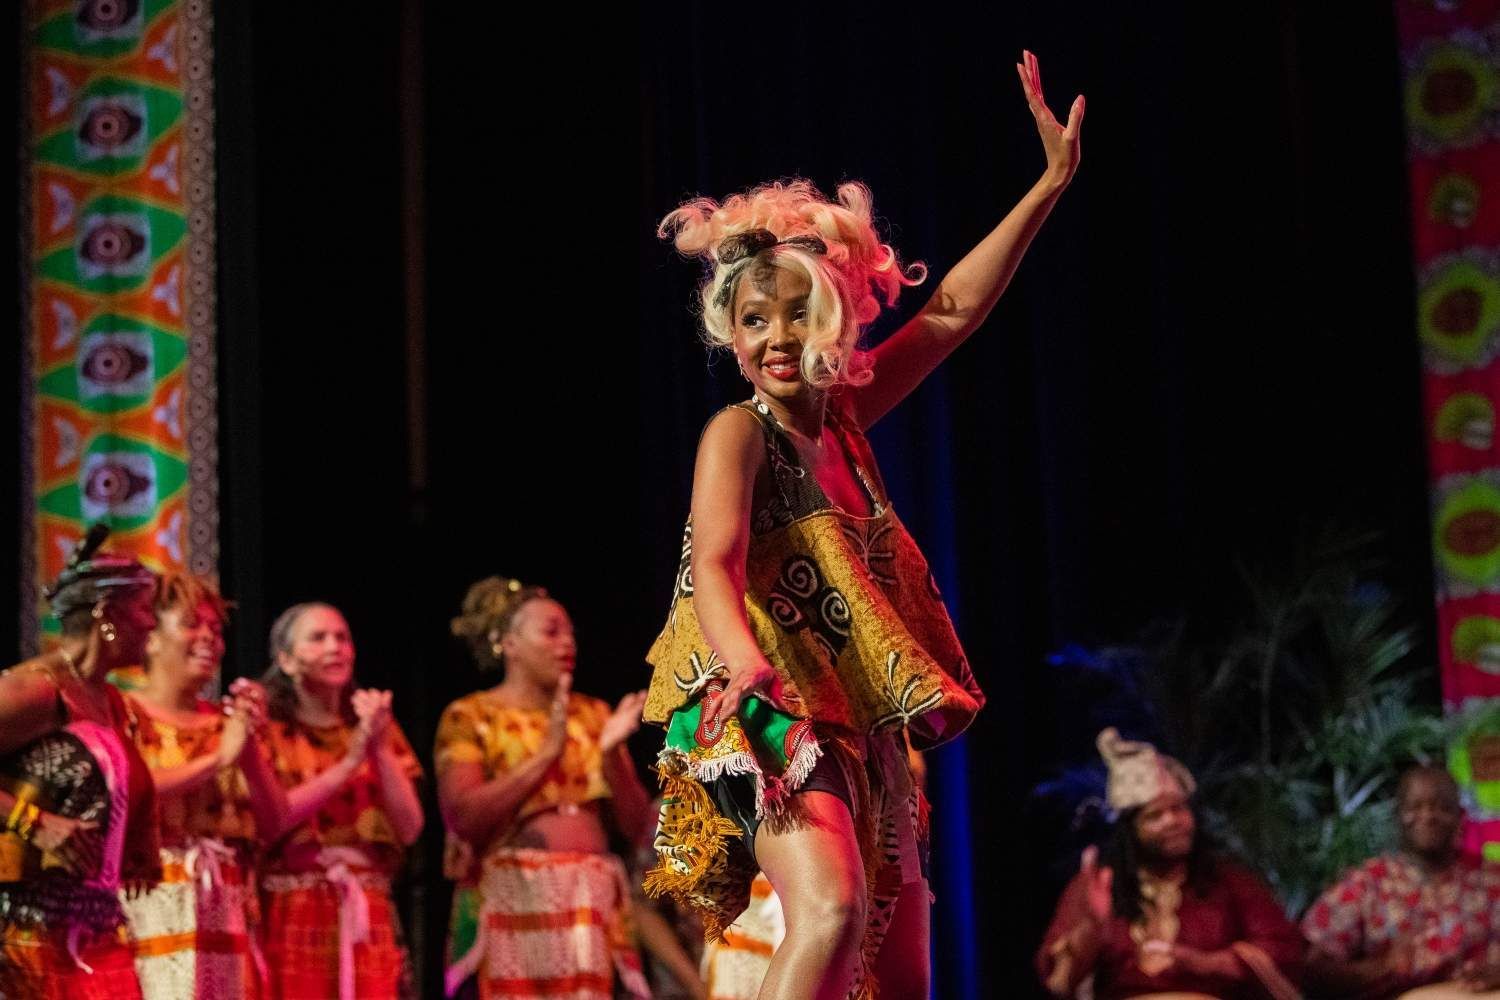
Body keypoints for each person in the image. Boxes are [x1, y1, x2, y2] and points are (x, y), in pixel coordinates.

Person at [642, 49, 1080, 1000]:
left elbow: (953, 311)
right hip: (755, 702)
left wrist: (1048, 185)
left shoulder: (845, 421)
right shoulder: (737, 434)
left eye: (798, 317)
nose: (775, 338)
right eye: (754, 320)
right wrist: (744, 662)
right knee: (831, 907)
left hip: (849, 710)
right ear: (731, 333)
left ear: (836, 327)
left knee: (900, 948)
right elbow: (714, 563)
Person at [437, 576, 653, 1000]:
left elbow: (636, 827)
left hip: (588, 907)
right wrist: (546, 754)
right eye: (551, 632)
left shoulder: (593, 715)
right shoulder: (471, 714)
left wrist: (611, 755)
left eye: (570, 632)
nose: (567, 643)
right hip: (512, 899)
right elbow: (464, 818)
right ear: (509, 643)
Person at [0, 524, 162, 998]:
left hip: (94, 929)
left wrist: (140, 838)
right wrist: (34, 821)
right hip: (22, 931)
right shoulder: (38, 688)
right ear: (106, 614)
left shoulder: (111, 701)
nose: (152, 624)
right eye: (145, 610)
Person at [117, 572, 288, 998]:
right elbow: (127, 793)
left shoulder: (225, 723)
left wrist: (247, 748)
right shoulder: (122, 711)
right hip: (150, 900)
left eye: (215, 629)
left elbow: (277, 821)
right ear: (151, 637)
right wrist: (219, 759)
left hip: (226, 905)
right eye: (192, 623)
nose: (210, 637)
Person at [1036, 729, 1304, 1000]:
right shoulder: (1098, 886)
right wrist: (1092, 925)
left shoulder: (1227, 879)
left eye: (1179, 808)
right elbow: (1057, 983)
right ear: (1130, 832)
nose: (1172, 821)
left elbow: (1284, 950)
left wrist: (1202, 964)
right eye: (1155, 815)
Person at [256, 602, 424, 1000]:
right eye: (318, 638)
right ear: (287, 659)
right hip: (293, 906)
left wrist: (378, 747)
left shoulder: (375, 729)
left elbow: (411, 827)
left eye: (342, 638)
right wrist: (350, 762)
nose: (336, 647)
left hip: (367, 905)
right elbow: (272, 819)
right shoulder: (268, 730)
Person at [1302, 764, 1500, 997]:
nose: (1428, 816)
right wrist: (1377, 970)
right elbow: (1312, 968)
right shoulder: (1366, 884)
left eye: (1442, 807)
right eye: (1414, 807)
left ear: (1460, 815)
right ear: (1398, 814)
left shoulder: (1491, 879)